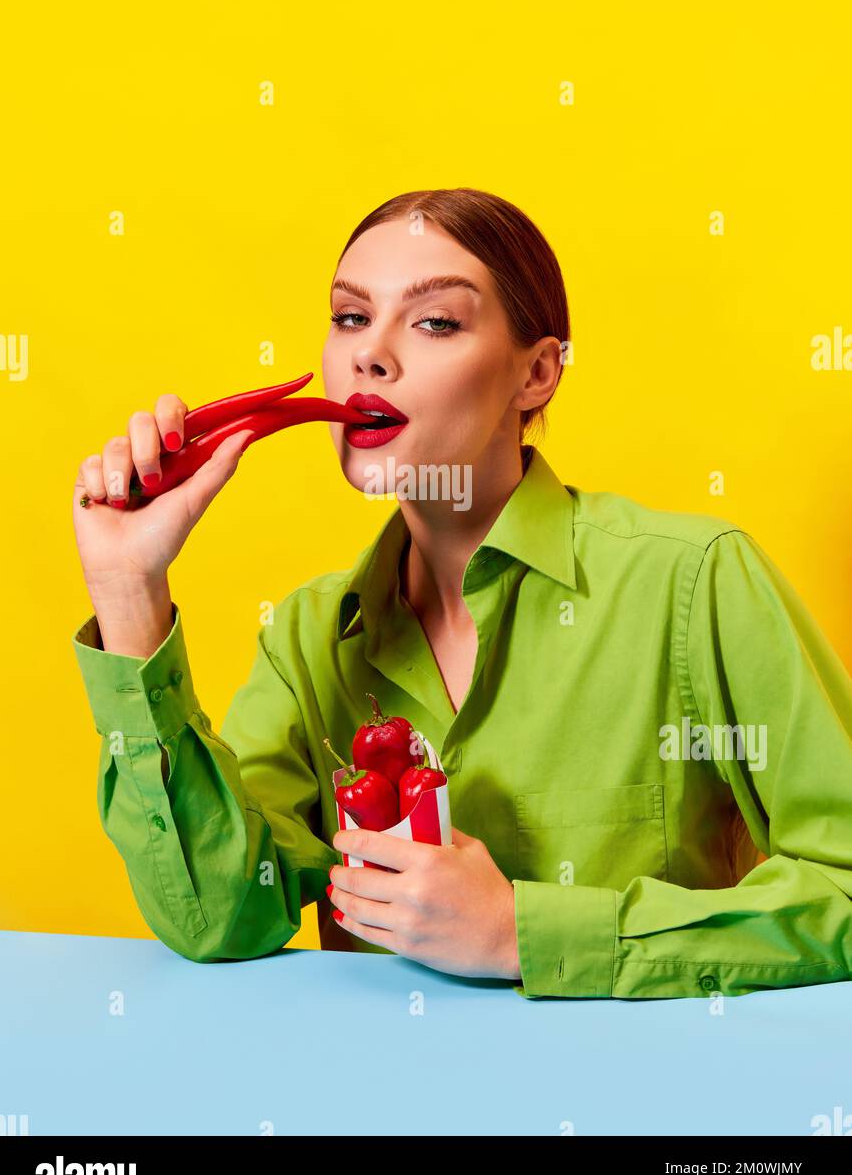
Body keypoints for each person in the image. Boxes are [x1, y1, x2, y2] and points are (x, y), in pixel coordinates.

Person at [71, 187, 852, 999]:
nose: (370, 356)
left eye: (435, 321)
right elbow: (219, 919)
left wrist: (529, 933)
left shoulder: (694, 583)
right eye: (349, 318)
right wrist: (130, 593)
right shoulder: (306, 638)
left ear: (538, 373)